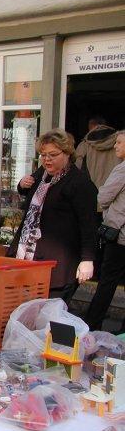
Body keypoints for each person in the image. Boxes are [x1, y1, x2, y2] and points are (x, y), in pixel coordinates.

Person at [8, 128, 98, 304]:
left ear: (67, 154)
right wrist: (21, 184)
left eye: (52, 155)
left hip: (59, 264)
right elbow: (28, 190)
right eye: (43, 155)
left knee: (51, 315)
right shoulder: (42, 173)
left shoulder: (79, 183)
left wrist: (88, 259)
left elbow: (88, 224)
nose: (46, 159)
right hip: (28, 256)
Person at [85, 130, 125, 331]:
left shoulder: (122, 169)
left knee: (107, 282)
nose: (115, 146)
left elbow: (102, 198)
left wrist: (111, 212)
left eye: (119, 142)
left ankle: (92, 322)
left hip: (118, 235)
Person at [75, 116, 119, 191]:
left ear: (91, 126)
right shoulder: (120, 143)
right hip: (116, 192)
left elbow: (77, 171)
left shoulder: (84, 145)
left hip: (91, 193)